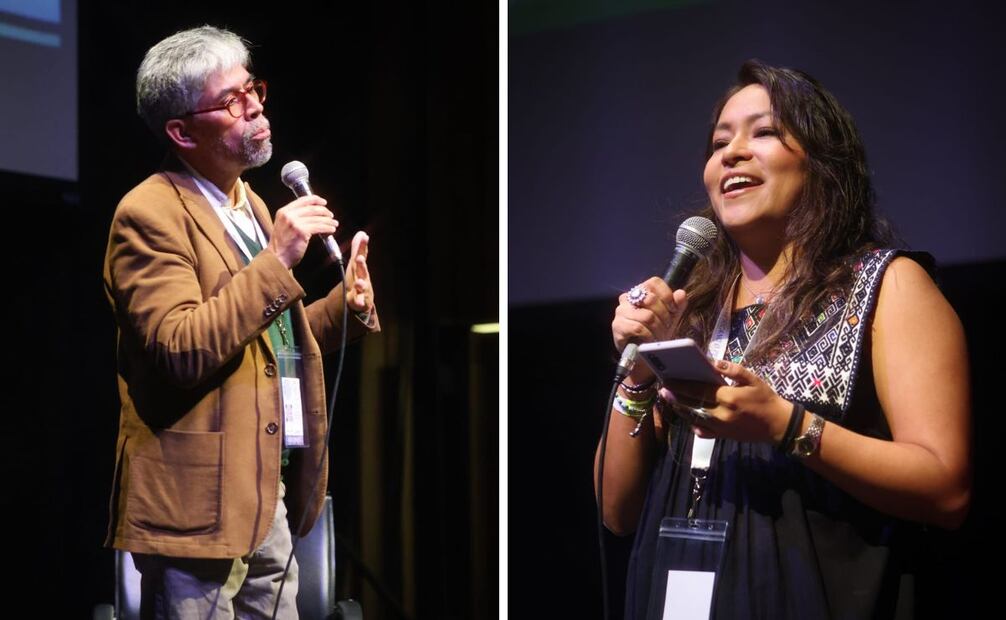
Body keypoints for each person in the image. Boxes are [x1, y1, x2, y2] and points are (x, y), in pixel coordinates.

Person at [596, 60, 971, 618]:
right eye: (720, 141)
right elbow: (615, 511)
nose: (733, 152)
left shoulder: (888, 286)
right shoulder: (691, 311)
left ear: (823, 163)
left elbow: (946, 490)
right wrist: (641, 372)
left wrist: (785, 423)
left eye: (764, 132)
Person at [103, 26, 379, 618]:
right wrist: (277, 258)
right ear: (182, 131)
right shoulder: (147, 213)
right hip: (195, 506)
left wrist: (344, 308)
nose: (254, 106)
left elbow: (267, 341)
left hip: (263, 490)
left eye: (252, 87)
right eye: (231, 100)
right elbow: (182, 349)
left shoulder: (247, 202)